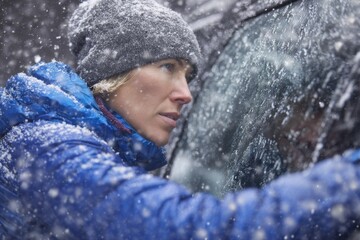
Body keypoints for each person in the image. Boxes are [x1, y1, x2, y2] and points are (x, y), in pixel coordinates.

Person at [0, 0, 359, 239]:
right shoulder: (51, 148)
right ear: (114, 73)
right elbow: (182, 229)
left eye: (187, 75)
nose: (185, 94)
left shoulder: (76, 142)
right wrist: (348, 180)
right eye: (168, 67)